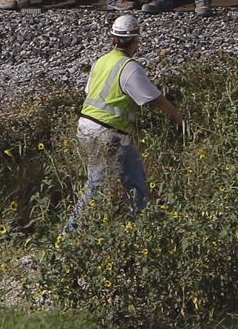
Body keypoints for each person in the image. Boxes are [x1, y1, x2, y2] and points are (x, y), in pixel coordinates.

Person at [69, 12, 186, 226]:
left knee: (134, 171)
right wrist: (177, 115)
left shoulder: (101, 61)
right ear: (135, 40)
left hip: (92, 127)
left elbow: (89, 92)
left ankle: (141, 222)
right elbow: (153, 97)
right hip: (106, 133)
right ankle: (68, 236)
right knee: (96, 186)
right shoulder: (129, 67)